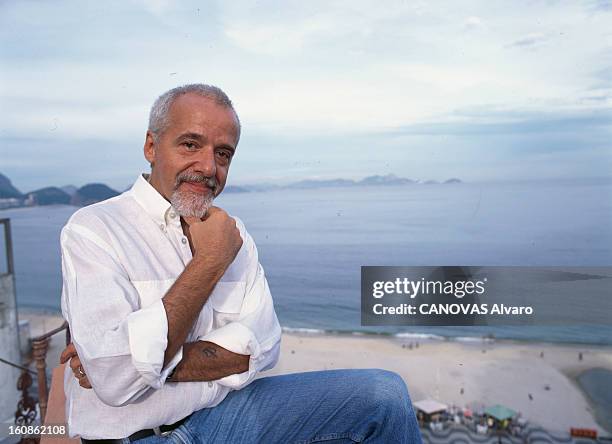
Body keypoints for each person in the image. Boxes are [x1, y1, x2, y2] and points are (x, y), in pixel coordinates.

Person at [59, 84, 422, 443]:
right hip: (138, 437)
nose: (208, 167)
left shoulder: (233, 233)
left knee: (384, 395)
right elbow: (116, 379)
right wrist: (211, 261)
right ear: (151, 146)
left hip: (224, 418)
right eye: (190, 144)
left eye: (223, 154)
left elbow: (265, 347)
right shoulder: (95, 229)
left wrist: (138, 361)